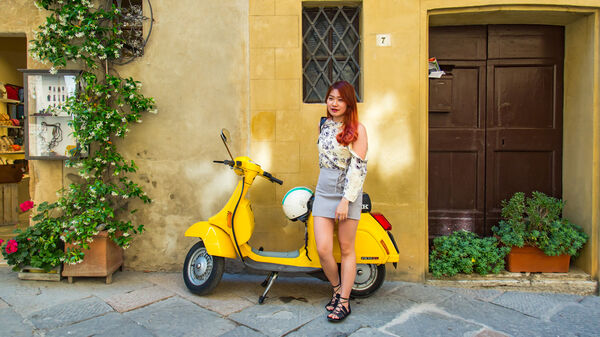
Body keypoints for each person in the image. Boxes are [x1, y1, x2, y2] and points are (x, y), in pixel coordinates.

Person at [312, 80, 368, 322]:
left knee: (346, 249)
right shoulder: (323, 124)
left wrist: (346, 200)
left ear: (349, 103)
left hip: (347, 192)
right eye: (330, 98)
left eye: (340, 99)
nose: (334, 104)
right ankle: (336, 288)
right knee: (323, 249)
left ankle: (344, 302)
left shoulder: (358, 129)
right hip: (324, 189)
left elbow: (358, 169)